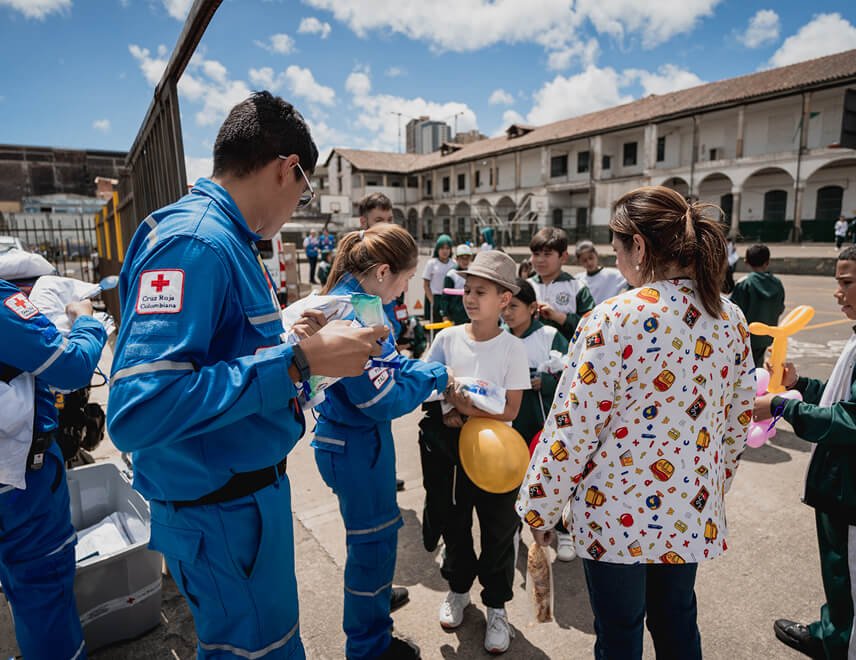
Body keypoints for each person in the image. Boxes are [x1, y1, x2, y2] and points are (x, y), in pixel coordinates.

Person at [106, 91, 388, 660]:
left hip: (237, 502)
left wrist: (289, 338)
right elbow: (139, 409)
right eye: (304, 191)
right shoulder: (196, 242)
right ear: (289, 169)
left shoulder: (224, 239)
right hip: (221, 514)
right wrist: (300, 361)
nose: (298, 204)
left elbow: (212, 358)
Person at [518, 186, 754, 660]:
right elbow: (737, 420)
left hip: (614, 517)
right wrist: (712, 484)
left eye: (618, 245)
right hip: (688, 508)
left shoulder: (613, 318)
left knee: (620, 637)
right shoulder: (730, 318)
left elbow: (573, 428)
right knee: (678, 628)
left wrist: (539, 509)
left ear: (640, 247)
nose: (616, 257)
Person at [314, 223, 451, 660]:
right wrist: (438, 375)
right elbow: (381, 397)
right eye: (406, 279)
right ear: (382, 272)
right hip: (356, 448)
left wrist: (425, 370)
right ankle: (369, 645)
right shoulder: (351, 317)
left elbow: (390, 366)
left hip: (355, 445)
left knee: (375, 540)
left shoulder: (359, 303)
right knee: (371, 547)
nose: (405, 289)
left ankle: (372, 603)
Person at [419, 250, 530, 655]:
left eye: (481, 291)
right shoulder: (447, 338)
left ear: (504, 299)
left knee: (499, 532)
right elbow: (427, 386)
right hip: (453, 455)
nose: (470, 297)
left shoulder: (512, 348)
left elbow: (512, 409)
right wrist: (446, 405)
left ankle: (497, 607)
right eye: (468, 289)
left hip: (498, 461)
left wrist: (463, 405)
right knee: (455, 524)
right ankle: (459, 589)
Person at [754, 245, 856, 660]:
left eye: (846, 282)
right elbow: (839, 398)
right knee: (837, 573)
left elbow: (850, 421)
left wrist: (782, 405)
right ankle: (831, 634)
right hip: (837, 484)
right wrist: (802, 385)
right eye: (837, 282)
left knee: (848, 574)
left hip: (851, 490)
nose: (838, 292)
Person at [0, 278, 106, 660]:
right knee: (42, 592)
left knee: (17, 583)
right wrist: (86, 322)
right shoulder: (2, 304)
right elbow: (71, 367)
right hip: (20, 488)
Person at [501, 278, 574, 562]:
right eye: (504, 307)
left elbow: (573, 377)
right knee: (513, 478)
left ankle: (563, 532)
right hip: (510, 425)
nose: (507, 314)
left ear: (532, 307)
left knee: (549, 477)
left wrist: (544, 381)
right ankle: (515, 528)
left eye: (514, 307)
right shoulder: (499, 337)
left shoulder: (549, 336)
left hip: (542, 424)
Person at [528, 227, 595, 341]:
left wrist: (559, 317)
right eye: (536, 254)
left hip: (566, 355)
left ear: (563, 257)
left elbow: (592, 326)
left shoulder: (578, 288)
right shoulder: (527, 286)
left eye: (547, 254)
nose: (540, 260)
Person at [730, 244, 785, 367]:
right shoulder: (777, 283)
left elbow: (733, 311)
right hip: (766, 336)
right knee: (757, 366)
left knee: (742, 370)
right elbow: (780, 308)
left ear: (746, 261)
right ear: (767, 262)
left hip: (745, 337)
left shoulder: (744, 284)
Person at [574, 239, 627, 304]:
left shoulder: (613, 274)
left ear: (596, 255)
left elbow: (631, 281)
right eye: (584, 260)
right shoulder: (577, 279)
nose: (589, 262)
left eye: (591, 258)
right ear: (579, 262)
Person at [422, 234, 455, 324]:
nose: (445, 251)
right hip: (435, 297)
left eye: (447, 248)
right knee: (435, 325)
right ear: (437, 249)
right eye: (442, 248)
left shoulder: (453, 264)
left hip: (449, 298)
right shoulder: (431, 263)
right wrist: (432, 301)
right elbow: (426, 285)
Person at [438, 244, 473, 325]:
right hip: (455, 316)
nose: (465, 261)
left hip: (469, 316)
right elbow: (445, 298)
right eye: (462, 258)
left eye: (467, 258)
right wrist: (445, 315)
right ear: (456, 259)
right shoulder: (451, 274)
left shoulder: (472, 274)